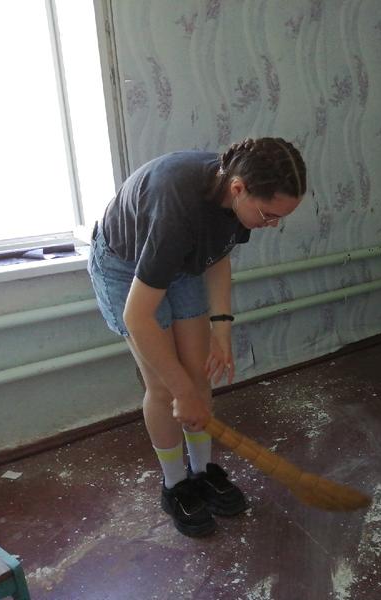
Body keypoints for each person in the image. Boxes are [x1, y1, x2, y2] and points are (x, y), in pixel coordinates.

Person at [87, 138, 307, 536]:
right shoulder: (177, 209)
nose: (273, 224)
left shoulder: (236, 197)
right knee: (165, 388)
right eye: (270, 215)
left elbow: (217, 255)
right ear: (238, 189)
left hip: (178, 262)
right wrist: (181, 392)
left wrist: (222, 328)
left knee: (199, 373)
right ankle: (175, 485)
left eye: (281, 217)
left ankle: (202, 471)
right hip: (124, 265)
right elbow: (138, 316)